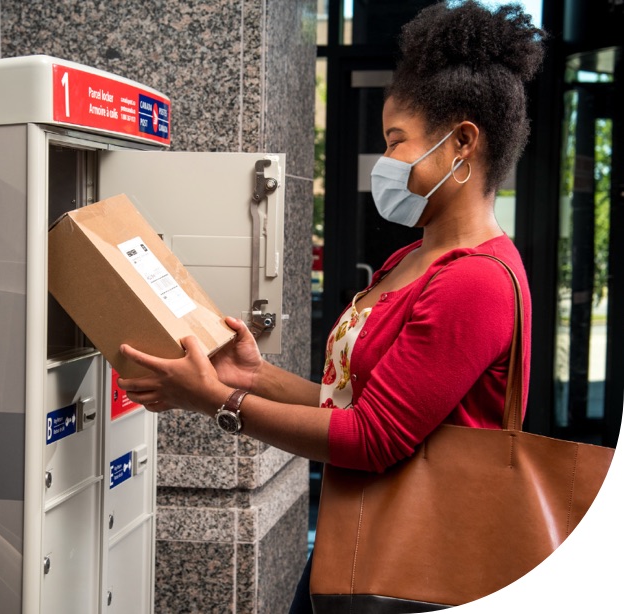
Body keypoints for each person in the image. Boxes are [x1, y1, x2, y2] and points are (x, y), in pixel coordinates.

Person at [118, 1, 545, 611]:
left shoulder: (474, 281)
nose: (386, 161)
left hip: (415, 569)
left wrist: (215, 400)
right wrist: (256, 377)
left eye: (397, 141)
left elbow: (372, 437)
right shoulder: (410, 260)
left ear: (462, 143)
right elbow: (357, 402)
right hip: (358, 542)